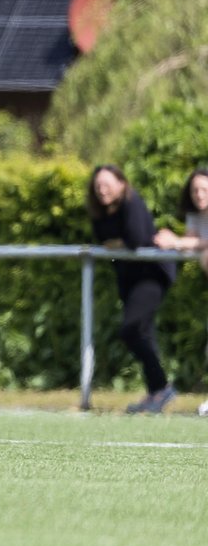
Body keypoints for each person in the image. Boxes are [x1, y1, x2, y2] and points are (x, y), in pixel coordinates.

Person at [87, 165, 177, 414]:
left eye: (106, 184)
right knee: (144, 333)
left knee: (129, 330)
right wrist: (118, 244)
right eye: (98, 186)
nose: (102, 190)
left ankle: (162, 386)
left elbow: (137, 240)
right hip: (127, 277)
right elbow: (102, 240)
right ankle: (156, 394)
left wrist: (118, 244)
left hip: (151, 274)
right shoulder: (101, 211)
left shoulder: (132, 202)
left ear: (121, 183)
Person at [153, 168, 208, 416]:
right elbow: (192, 242)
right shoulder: (196, 216)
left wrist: (175, 241)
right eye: (195, 190)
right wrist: (175, 241)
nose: (199, 194)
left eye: (204, 189)